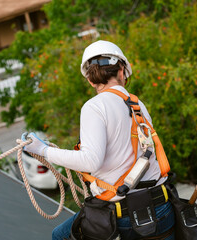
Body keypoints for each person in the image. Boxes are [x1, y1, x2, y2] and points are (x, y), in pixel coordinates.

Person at [21, 40, 175, 240]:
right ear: (122, 71)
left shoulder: (94, 107)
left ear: (90, 80)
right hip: (161, 204)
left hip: (124, 211)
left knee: (60, 236)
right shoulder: (138, 105)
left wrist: (42, 150)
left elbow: (91, 161)